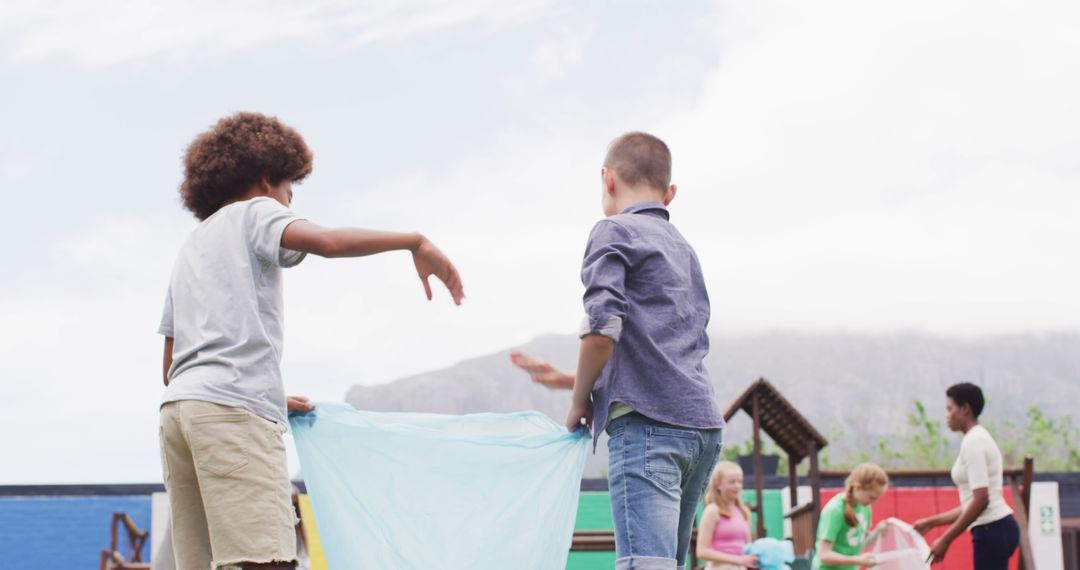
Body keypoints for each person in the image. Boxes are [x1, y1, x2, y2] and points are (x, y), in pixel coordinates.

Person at [158, 112, 464, 570]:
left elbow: (172, 363)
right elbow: (327, 241)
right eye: (289, 191)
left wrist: (266, 392)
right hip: (231, 411)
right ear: (265, 180)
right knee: (267, 560)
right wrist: (413, 241)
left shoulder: (191, 246)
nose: (289, 202)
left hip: (179, 414)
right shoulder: (254, 211)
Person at [511, 132, 725, 570]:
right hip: (702, 431)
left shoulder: (614, 230)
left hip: (649, 430)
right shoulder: (683, 247)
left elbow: (603, 328)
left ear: (607, 180)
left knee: (644, 566)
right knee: (667, 564)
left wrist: (579, 400)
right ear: (670, 194)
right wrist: (574, 378)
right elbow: (658, 350)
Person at [913, 383, 1019, 570]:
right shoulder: (975, 439)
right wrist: (931, 522)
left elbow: (981, 500)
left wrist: (946, 539)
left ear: (965, 409)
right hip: (994, 529)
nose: (947, 415)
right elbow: (972, 503)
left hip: (992, 529)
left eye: (950, 408)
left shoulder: (974, 441)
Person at [812, 463, 889, 570]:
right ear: (858, 488)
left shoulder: (865, 507)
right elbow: (824, 555)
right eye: (872, 497)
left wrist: (878, 532)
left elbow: (860, 542)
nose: (874, 502)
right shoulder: (835, 510)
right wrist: (859, 560)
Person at [696, 461, 758, 570]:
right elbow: (702, 551)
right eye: (732, 482)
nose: (737, 486)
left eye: (740, 481)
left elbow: (748, 547)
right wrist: (738, 560)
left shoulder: (744, 511)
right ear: (717, 485)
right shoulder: (712, 511)